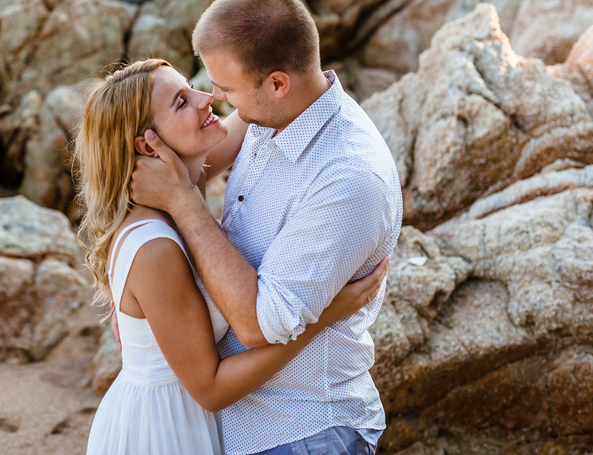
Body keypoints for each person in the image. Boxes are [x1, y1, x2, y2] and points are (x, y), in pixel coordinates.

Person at [130, 0, 403, 455]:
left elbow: (259, 325)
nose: (215, 99)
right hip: (240, 427)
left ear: (278, 83)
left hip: (304, 429)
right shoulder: (274, 115)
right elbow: (193, 157)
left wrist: (185, 203)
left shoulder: (347, 179)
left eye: (226, 89)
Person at [75, 58, 390, 454]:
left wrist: (299, 70)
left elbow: (269, 102)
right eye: (181, 102)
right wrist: (322, 314)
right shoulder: (156, 246)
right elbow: (210, 388)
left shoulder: (185, 188)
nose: (207, 97)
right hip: (165, 429)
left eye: (191, 86)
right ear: (148, 144)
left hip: (196, 420)